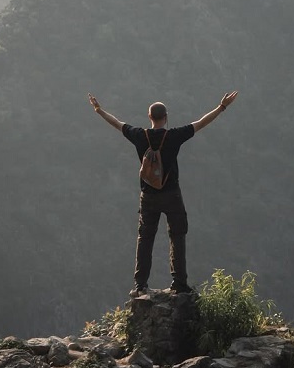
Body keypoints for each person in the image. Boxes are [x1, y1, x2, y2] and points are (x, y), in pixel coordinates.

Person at [88, 91, 238, 297]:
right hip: (172, 195)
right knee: (177, 235)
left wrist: (99, 110)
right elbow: (201, 123)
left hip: (148, 195)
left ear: (149, 117)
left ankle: (140, 285)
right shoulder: (174, 136)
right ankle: (179, 283)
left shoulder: (140, 136)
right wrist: (222, 107)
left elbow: (117, 123)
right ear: (166, 117)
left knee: (145, 238)